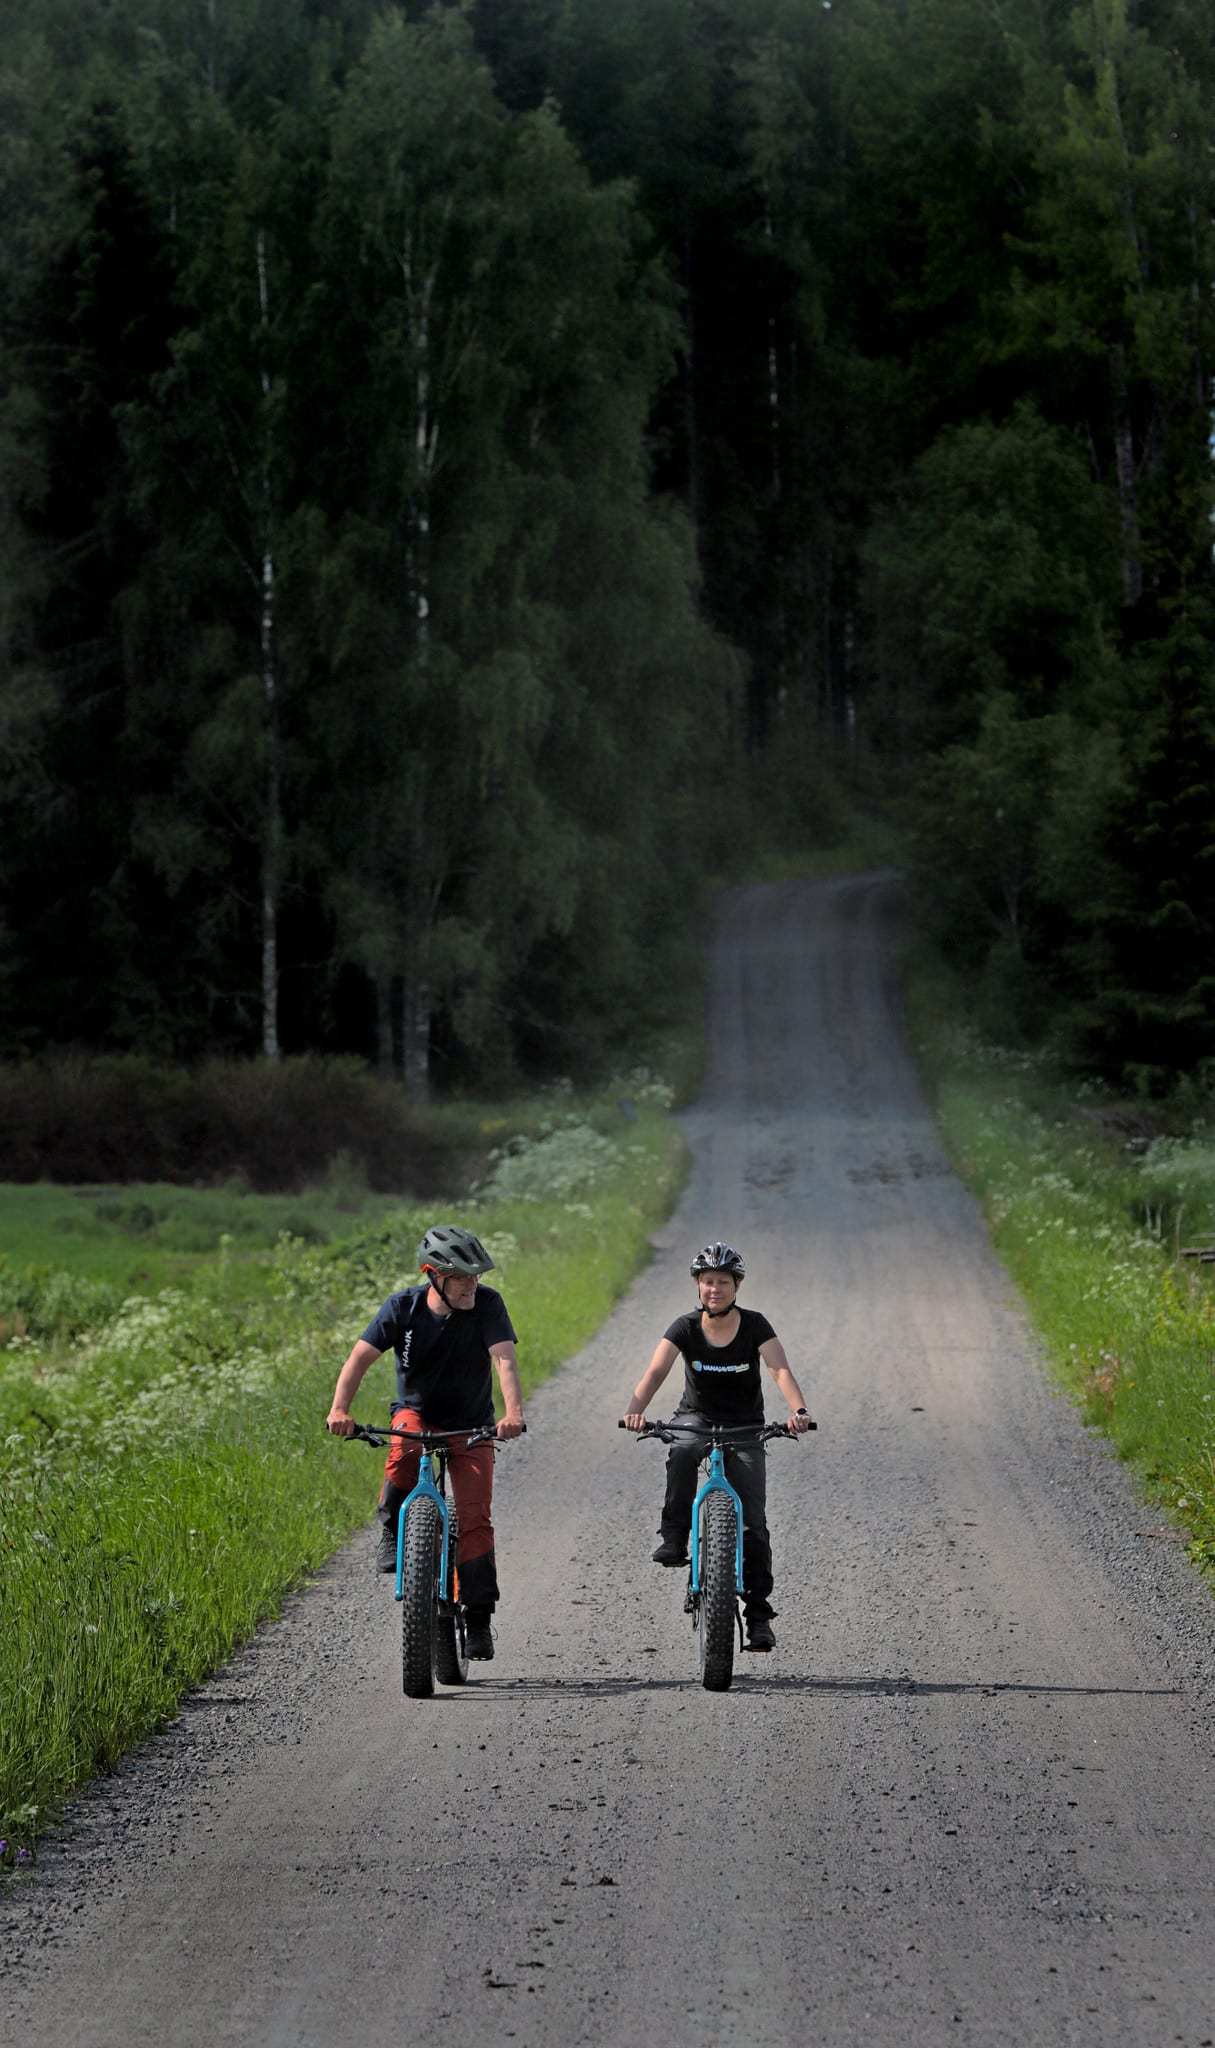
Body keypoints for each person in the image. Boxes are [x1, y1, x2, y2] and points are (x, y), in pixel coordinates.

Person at [326, 1222, 525, 1661]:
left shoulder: (489, 1305)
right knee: (404, 1448)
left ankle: (478, 1618)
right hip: (418, 1414)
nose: (472, 1284)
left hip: (473, 1424)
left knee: (474, 1518)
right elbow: (359, 1359)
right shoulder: (402, 1308)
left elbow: (504, 1360)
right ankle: (393, 1530)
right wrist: (340, 1410)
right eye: (461, 1277)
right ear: (433, 1274)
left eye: (476, 1275)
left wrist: (513, 1414)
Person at [621, 1240, 811, 1653]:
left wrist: (798, 1410)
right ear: (698, 1285)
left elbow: (779, 1369)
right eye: (707, 1281)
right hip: (697, 1418)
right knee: (683, 1450)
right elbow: (655, 1371)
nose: (714, 1289)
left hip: (745, 1425)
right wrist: (634, 1411)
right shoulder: (685, 1327)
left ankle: (758, 1615)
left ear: (736, 1285)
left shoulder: (756, 1325)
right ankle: (674, 1539)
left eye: (722, 1281)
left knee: (754, 1522)